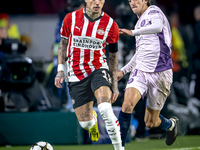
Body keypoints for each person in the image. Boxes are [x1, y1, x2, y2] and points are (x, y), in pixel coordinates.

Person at [54, 0, 122, 149]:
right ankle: (93, 121)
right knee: (85, 123)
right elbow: (63, 44)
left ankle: (120, 148)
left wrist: (114, 86)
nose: (97, 2)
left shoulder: (111, 24)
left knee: (105, 109)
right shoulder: (70, 18)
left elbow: (113, 57)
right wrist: (60, 70)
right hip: (75, 74)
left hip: (98, 69)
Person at [117, 0, 179, 149]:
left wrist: (133, 32)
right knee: (127, 105)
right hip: (141, 71)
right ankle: (120, 147)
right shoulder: (139, 23)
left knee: (150, 122)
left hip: (161, 73)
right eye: (130, 0)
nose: (132, 2)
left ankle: (170, 125)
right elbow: (139, 54)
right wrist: (123, 71)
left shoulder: (154, 11)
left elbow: (157, 27)